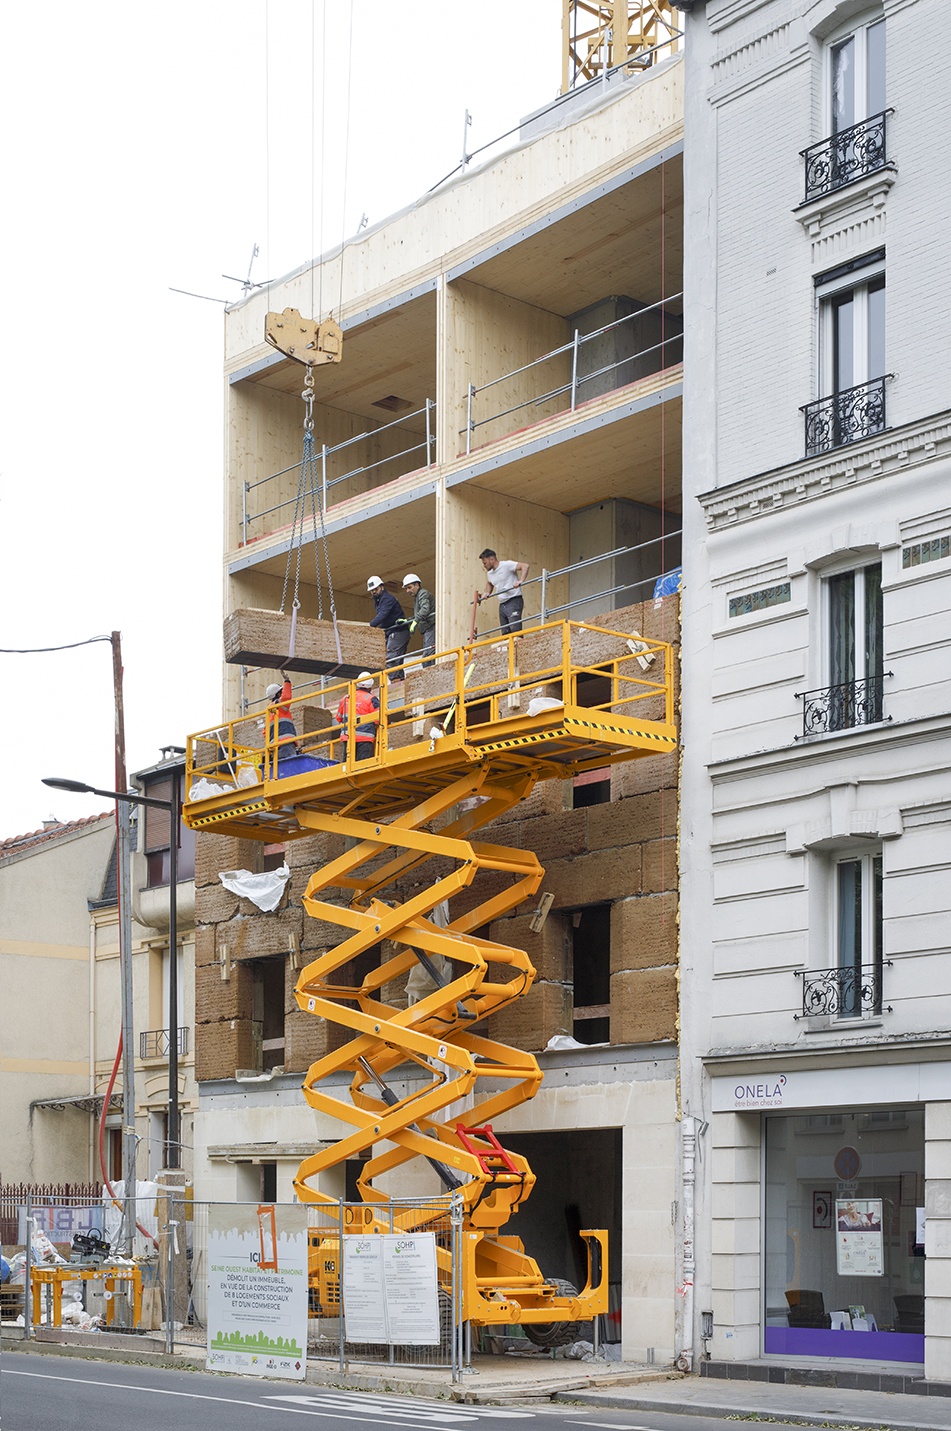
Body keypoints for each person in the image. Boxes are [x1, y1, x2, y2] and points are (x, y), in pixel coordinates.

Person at [477, 549, 530, 634]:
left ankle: (518, 646)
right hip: (502, 604)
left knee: (515, 630)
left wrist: (521, 580)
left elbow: (525, 566)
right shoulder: (490, 573)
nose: (484, 565)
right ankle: (509, 647)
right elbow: (490, 583)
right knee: (505, 633)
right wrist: (486, 593)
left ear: (492, 559)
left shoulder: (506, 565)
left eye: (485, 563)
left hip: (514, 600)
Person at [367, 576, 410, 679]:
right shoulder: (379, 600)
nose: (374, 592)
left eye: (375, 589)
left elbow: (382, 615)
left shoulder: (387, 599)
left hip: (398, 632)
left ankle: (395, 682)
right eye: (372, 591)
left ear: (382, 587)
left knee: (391, 660)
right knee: (395, 661)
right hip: (393, 632)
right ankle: (399, 681)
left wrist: (369, 626)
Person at [336, 672, 380, 761]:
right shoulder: (371, 698)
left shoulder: (345, 698)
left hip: (348, 737)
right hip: (364, 737)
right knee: (361, 765)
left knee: (347, 765)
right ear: (370, 686)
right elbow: (378, 719)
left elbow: (339, 718)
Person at [401, 573, 436, 664]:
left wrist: (416, 621)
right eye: (406, 588)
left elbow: (425, 609)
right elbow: (419, 613)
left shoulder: (423, 593)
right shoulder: (418, 596)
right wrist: (408, 620)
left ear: (417, 585)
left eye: (409, 587)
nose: (407, 591)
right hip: (427, 629)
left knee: (428, 655)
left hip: (431, 627)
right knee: (427, 654)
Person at [265, 674, 299, 767]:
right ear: (278, 694)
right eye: (281, 691)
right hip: (286, 744)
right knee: (291, 768)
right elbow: (287, 697)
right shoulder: (279, 706)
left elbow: (265, 732)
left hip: (275, 748)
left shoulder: (269, 711)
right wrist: (287, 682)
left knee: (282, 770)